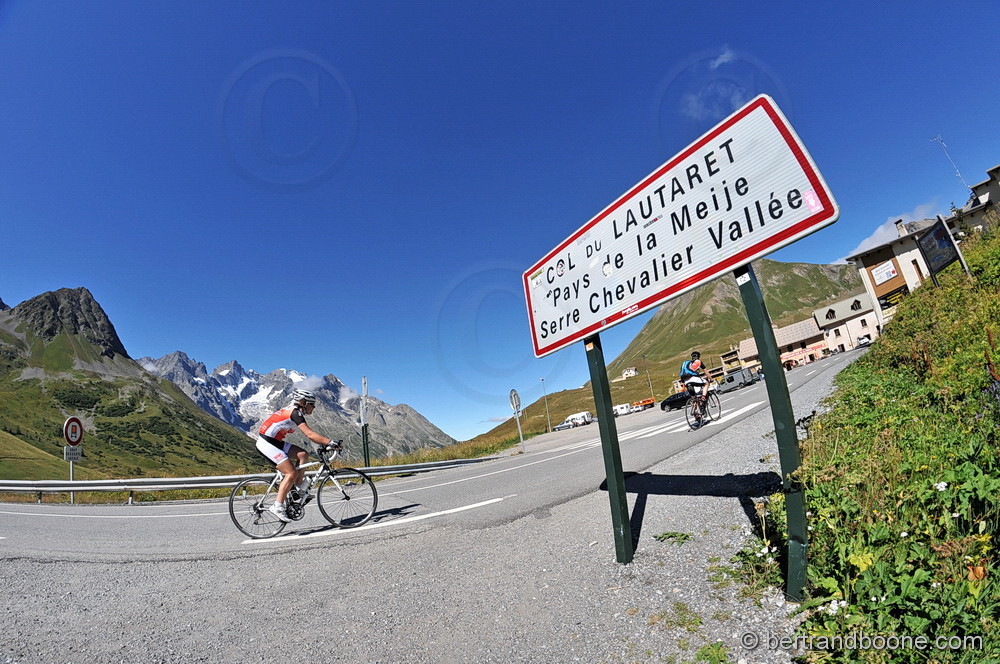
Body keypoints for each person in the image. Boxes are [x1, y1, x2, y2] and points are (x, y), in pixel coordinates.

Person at [256, 388, 341, 522]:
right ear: (304, 403)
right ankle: (277, 506)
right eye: (312, 404)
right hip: (266, 443)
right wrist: (331, 442)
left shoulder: (296, 411)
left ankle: (297, 486)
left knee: (303, 454)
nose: (314, 407)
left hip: (275, 441)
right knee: (291, 472)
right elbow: (310, 434)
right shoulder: (295, 414)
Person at [679, 352, 711, 424]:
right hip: (694, 379)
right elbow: (706, 372)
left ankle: (695, 412)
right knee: (706, 383)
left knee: (694, 398)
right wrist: (711, 379)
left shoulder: (686, 363)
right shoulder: (698, 361)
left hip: (686, 382)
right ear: (698, 357)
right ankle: (703, 397)